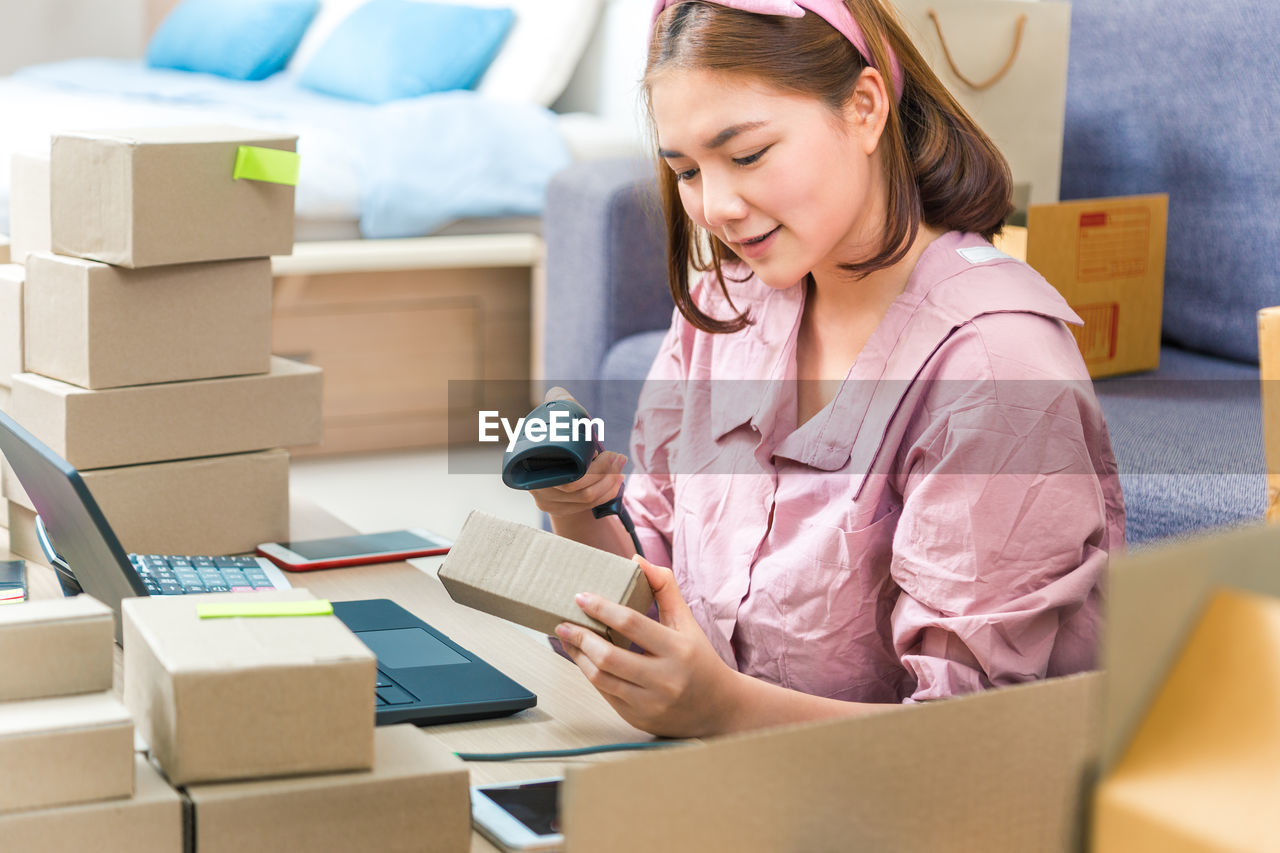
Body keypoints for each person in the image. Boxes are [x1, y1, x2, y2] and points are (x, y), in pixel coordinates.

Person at [531, 0, 1124, 738]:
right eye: (685, 171)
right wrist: (574, 506)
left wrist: (723, 710)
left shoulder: (996, 367)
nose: (715, 207)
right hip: (710, 777)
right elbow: (653, 585)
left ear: (866, 107)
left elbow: (972, 740)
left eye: (746, 154)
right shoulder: (727, 304)